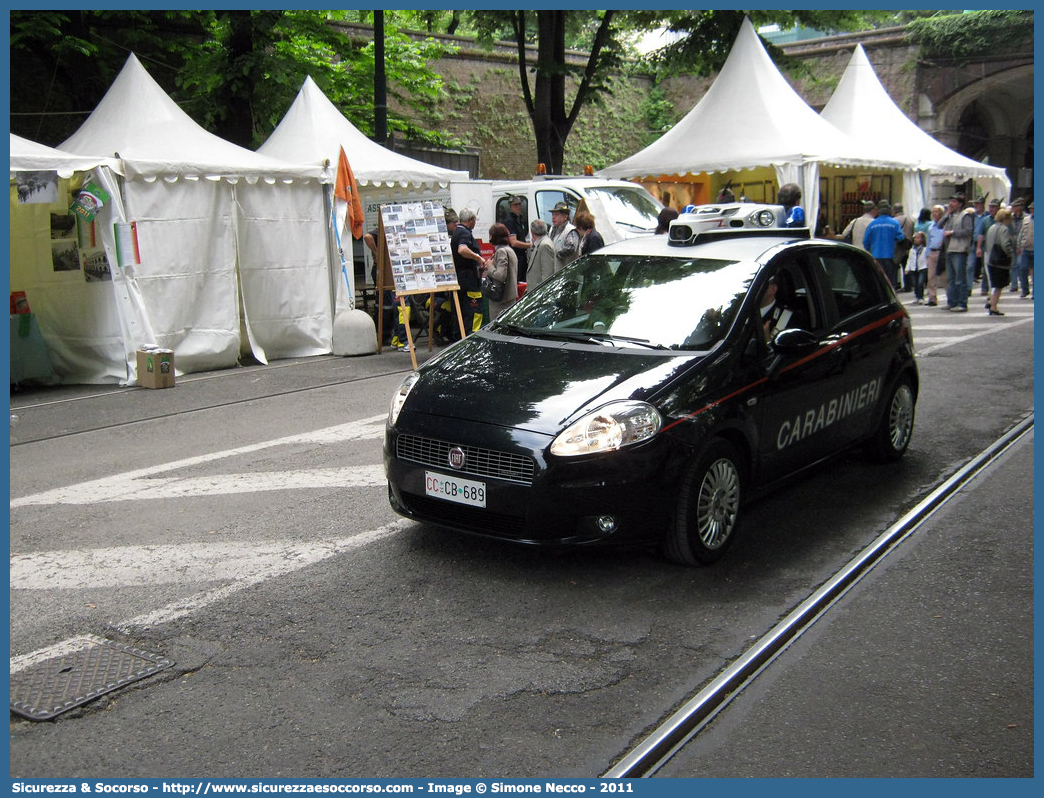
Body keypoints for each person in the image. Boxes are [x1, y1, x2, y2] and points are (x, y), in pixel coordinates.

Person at [363, 225, 409, 349]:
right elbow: (367, 237)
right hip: (384, 273)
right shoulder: (384, 230)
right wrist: (378, 253)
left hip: (389, 273)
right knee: (389, 306)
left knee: (390, 305)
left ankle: (391, 336)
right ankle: (389, 335)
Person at [451, 208, 487, 339]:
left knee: (461, 308)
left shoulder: (457, 232)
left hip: (460, 277)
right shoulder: (464, 233)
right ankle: (473, 336)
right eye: (475, 220)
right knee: (474, 307)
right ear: (471, 220)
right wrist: (478, 258)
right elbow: (462, 249)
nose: (475, 223)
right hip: (468, 278)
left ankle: (460, 335)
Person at [941, 193, 974, 312]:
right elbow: (940, 226)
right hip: (949, 249)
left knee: (960, 279)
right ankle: (952, 301)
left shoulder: (965, 216)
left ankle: (962, 303)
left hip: (959, 249)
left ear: (960, 204)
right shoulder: (951, 216)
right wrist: (946, 215)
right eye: (950, 201)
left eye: (954, 201)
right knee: (950, 278)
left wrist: (952, 233)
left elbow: (968, 231)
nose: (951, 204)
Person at [863, 199, 905, 289]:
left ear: (878, 210)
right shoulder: (894, 223)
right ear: (889, 209)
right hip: (890, 256)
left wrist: (870, 250)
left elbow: (865, 241)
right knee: (890, 282)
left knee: (878, 280)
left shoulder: (872, 224)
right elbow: (901, 237)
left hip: (876, 256)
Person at [483, 222, 518, 319]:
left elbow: (501, 275)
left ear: (493, 236)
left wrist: (490, 266)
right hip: (509, 297)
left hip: (501, 299)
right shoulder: (510, 250)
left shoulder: (501, 251)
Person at [984, 206, 1015, 316]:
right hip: (1000, 260)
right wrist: (1010, 253)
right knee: (999, 285)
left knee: (995, 284)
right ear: (1005, 218)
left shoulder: (992, 227)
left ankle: (992, 302)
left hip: (990, 259)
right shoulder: (1004, 229)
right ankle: (993, 305)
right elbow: (1005, 244)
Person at [503, 195, 531, 283]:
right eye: (516, 205)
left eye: (520, 204)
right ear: (511, 207)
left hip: (522, 257)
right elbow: (513, 242)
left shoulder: (518, 220)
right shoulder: (510, 221)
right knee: (517, 282)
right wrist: (531, 245)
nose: (519, 206)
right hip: (516, 257)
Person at [976, 198, 1001, 295]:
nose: (991, 209)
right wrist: (978, 248)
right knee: (987, 269)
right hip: (987, 248)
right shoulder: (986, 220)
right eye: (990, 207)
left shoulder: (1002, 219)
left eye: (994, 207)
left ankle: (995, 288)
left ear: (998, 208)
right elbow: (980, 234)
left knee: (997, 270)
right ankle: (985, 288)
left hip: (999, 249)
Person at [924, 205, 946, 307]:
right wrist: (927, 255)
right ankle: (932, 298)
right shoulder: (930, 227)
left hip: (942, 252)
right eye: (933, 212)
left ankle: (950, 296)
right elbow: (928, 241)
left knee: (944, 276)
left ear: (941, 213)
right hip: (932, 252)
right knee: (931, 276)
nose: (934, 214)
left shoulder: (945, 225)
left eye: (936, 212)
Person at [549, 201, 580, 271]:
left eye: (556, 215)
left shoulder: (571, 230)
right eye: (552, 215)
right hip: (555, 273)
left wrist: (555, 254)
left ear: (565, 217)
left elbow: (571, 248)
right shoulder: (552, 229)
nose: (553, 217)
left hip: (567, 273)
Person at [527, 218, 556, 287]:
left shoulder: (545, 245)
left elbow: (547, 274)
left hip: (540, 291)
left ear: (532, 232)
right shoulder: (541, 243)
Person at [966, 196, 987, 297]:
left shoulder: (987, 216)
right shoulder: (972, 216)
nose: (976, 206)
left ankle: (984, 288)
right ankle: (968, 288)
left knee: (985, 266)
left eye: (977, 204)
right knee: (970, 266)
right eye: (975, 204)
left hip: (985, 243)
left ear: (982, 205)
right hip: (974, 243)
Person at [892, 203, 914, 289]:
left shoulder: (894, 220)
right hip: (908, 246)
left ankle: (894, 285)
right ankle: (908, 285)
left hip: (897, 247)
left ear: (894, 211)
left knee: (894, 267)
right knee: (906, 266)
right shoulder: (910, 219)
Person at [1015, 199, 1033, 298]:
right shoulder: (1026, 219)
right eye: (1031, 209)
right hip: (1026, 248)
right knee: (1022, 268)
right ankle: (1024, 289)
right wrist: (1019, 246)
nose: (1032, 211)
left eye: (1033, 209)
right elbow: (1021, 233)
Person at [905, 230, 930, 304]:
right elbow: (909, 260)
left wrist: (928, 266)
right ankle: (917, 297)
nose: (916, 239)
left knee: (920, 282)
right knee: (915, 283)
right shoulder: (912, 250)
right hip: (913, 268)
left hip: (922, 267)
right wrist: (907, 268)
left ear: (922, 239)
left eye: (918, 238)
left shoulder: (925, 249)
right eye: (915, 238)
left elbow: (927, 258)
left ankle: (921, 297)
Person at [1008, 197, 1026, 292]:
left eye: (1015, 206)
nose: (1013, 208)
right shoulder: (1010, 218)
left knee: (1021, 265)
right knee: (1013, 265)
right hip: (1012, 244)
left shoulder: (1025, 218)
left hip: (1022, 244)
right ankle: (1014, 285)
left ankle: (1023, 285)